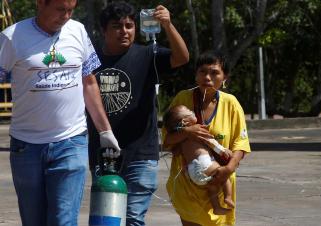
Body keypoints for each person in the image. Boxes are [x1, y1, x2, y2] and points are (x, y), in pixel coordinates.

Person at [0, 0, 120, 226]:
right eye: (60, 9)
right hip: (26, 147)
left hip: (71, 142)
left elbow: (89, 83)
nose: (66, 16)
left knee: (62, 221)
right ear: (40, 4)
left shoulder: (78, 31)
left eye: (70, 10)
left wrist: (105, 130)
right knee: (33, 221)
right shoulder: (12, 37)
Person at [86, 1, 189, 225]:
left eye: (129, 25)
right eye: (116, 26)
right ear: (104, 31)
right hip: (104, 155)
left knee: (133, 218)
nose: (124, 31)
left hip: (141, 155)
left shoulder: (147, 54)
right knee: (108, 218)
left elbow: (182, 58)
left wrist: (168, 25)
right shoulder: (89, 59)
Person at [163, 51, 251, 226]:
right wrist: (188, 132)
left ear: (225, 77)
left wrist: (228, 170)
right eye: (202, 71)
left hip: (220, 180)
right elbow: (167, 141)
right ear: (196, 75)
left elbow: (240, 144)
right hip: (187, 185)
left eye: (214, 72)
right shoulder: (182, 99)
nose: (207, 77)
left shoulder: (231, 103)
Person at [163, 104, 234, 215]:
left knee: (212, 186)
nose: (192, 111)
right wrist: (222, 150)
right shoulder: (197, 131)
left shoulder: (180, 139)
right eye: (189, 112)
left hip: (192, 173)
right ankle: (228, 197)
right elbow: (210, 141)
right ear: (185, 123)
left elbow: (176, 152)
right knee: (224, 174)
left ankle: (216, 207)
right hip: (203, 163)